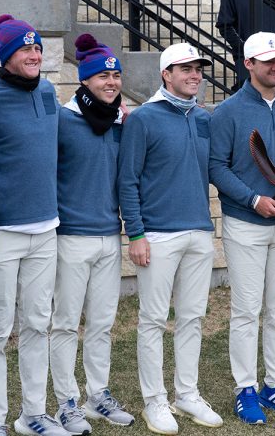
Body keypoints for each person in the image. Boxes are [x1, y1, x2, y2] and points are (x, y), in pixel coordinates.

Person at [209, 32, 275, 424]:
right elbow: (217, 166)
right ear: (248, 64)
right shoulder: (228, 111)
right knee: (246, 309)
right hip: (246, 224)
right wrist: (254, 200)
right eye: (268, 60)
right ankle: (245, 389)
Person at [118, 43, 223, 434]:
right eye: (186, 69)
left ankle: (187, 394)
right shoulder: (143, 119)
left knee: (193, 318)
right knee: (153, 320)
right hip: (158, 235)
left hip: (199, 230)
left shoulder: (202, 118)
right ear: (166, 74)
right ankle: (154, 401)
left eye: (198, 69)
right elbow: (127, 179)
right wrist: (137, 233)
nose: (194, 75)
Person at [0, 15, 66, 436]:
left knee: (37, 324)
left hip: (46, 229)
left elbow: (67, 130)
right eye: (25, 50)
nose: (34, 55)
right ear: (6, 56)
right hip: (2, 232)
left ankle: (33, 416)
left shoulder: (48, 91)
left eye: (37, 48)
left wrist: (112, 113)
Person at [49, 35, 134, 436]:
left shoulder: (119, 123)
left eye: (116, 75)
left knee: (102, 322)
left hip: (108, 236)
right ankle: (66, 401)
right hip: (70, 237)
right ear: (85, 80)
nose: (112, 82)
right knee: (66, 323)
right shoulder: (62, 120)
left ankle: (96, 395)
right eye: (103, 75)